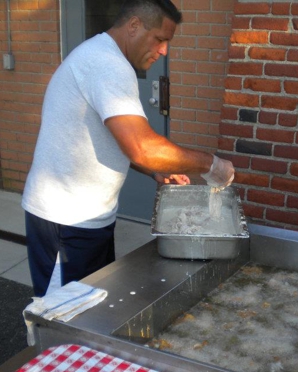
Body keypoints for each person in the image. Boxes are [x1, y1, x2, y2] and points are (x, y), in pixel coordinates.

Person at [21, 0, 234, 297]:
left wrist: (155, 169)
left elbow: (116, 140)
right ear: (134, 26)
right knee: (62, 317)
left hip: (90, 218)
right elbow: (141, 146)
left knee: (91, 309)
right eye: (160, 39)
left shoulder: (104, 58)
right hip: (64, 221)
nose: (164, 51)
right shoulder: (106, 64)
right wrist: (211, 165)